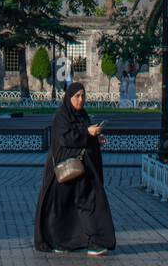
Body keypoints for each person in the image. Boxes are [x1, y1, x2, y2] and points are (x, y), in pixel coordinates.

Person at [34, 82, 116, 255]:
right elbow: (67, 139)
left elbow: (84, 136)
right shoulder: (61, 117)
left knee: (90, 203)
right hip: (64, 169)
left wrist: (96, 138)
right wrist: (87, 133)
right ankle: (61, 242)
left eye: (83, 96)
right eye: (77, 96)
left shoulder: (82, 115)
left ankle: (95, 241)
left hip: (84, 171)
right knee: (62, 207)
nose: (80, 100)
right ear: (68, 98)